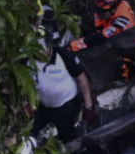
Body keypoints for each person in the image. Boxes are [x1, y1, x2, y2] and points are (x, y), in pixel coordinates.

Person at [31, 13, 94, 144]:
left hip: (66, 106)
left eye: (45, 48)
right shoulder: (28, 61)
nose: (42, 52)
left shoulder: (63, 55)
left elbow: (82, 79)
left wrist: (89, 107)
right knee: (30, 133)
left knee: (68, 138)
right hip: (42, 107)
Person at [68, 0, 135, 82]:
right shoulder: (107, 11)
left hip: (126, 49)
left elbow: (99, 37)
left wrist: (73, 46)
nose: (98, 14)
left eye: (101, 12)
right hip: (112, 40)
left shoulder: (123, 20)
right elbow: (96, 28)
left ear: (113, 8)